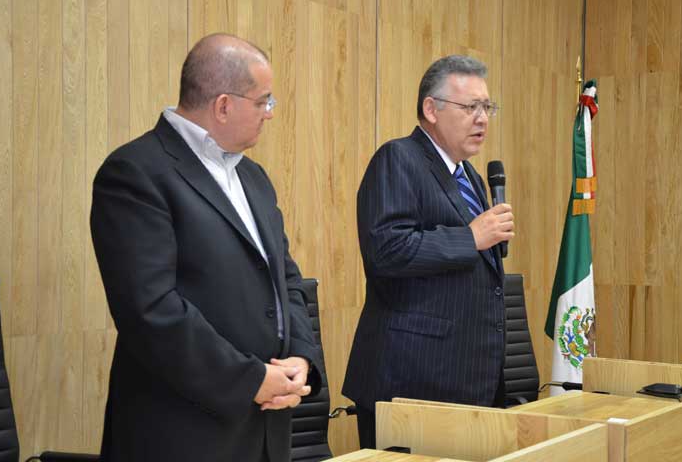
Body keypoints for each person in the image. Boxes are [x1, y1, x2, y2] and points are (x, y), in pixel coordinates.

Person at [90, 33, 321, 462]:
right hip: (183, 433)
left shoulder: (254, 178)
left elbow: (286, 280)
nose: (270, 113)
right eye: (264, 101)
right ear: (224, 105)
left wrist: (301, 360)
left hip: (265, 430)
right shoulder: (136, 172)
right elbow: (150, 310)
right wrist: (249, 379)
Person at [342, 55, 515, 449]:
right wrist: (470, 238)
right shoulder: (398, 158)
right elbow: (387, 250)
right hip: (412, 382)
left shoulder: (470, 176)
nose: (483, 119)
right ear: (431, 109)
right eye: (470, 107)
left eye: (487, 107)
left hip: (465, 380)